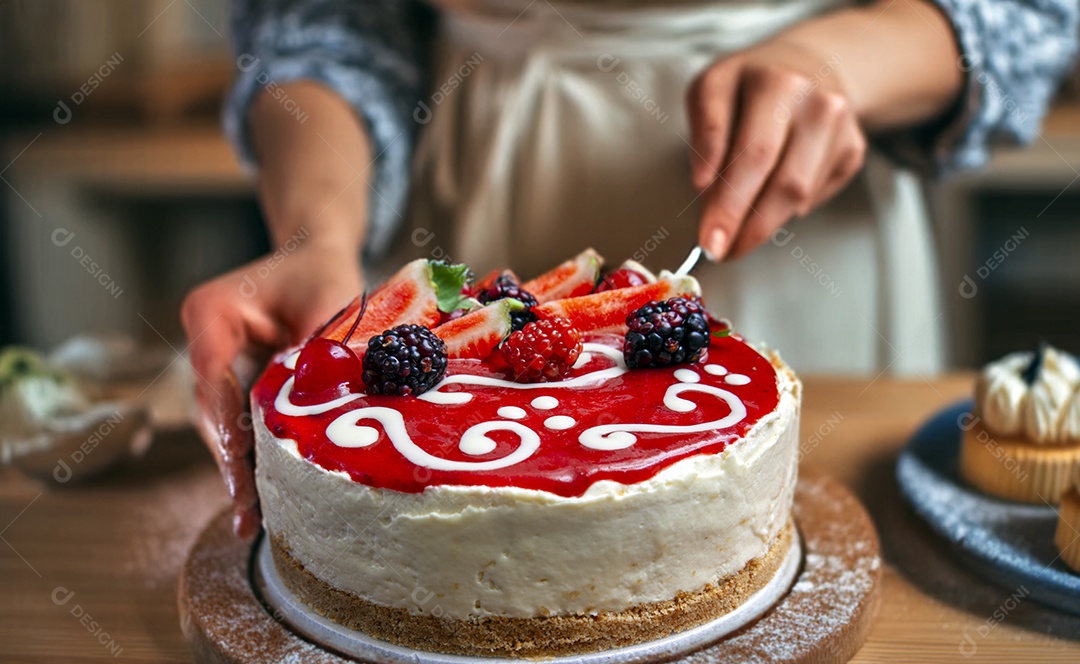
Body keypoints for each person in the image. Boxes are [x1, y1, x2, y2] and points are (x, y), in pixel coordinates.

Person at [183, 0, 1079, 536]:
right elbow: (323, 22)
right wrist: (317, 236)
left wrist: (841, 62)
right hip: (458, 179)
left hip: (813, 216)